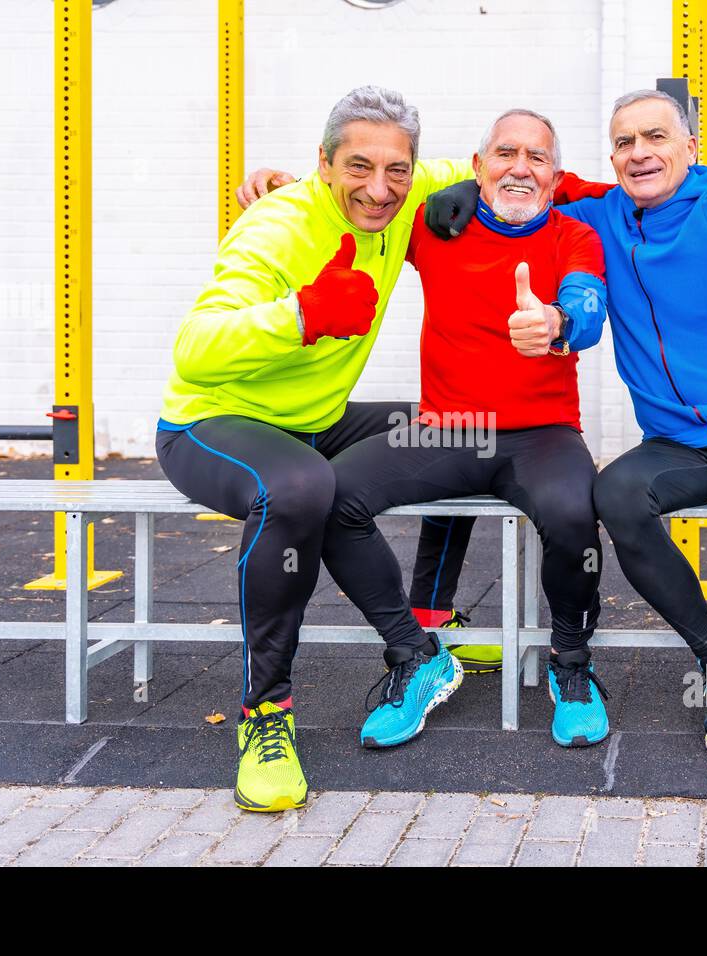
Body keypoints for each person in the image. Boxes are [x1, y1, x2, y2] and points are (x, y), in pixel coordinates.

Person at [425, 90, 707, 849]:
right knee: (616, 493)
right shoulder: (603, 212)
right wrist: (456, 184)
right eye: (623, 141)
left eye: (656, 137)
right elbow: (530, 171)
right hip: (678, 442)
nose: (638, 151)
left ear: (692, 147)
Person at [156, 85, 477, 813]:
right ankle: (266, 715)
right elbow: (194, 351)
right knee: (300, 487)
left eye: (398, 170)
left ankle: (428, 627)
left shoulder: (410, 189)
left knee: (468, 424)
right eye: (358, 167)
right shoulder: (275, 226)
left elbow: (511, 164)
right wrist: (299, 315)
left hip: (314, 415)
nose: (379, 188)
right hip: (213, 422)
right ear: (324, 165)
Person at [319, 109, 610, 749]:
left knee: (571, 515)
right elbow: (355, 197)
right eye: (506, 153)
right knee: (331, 497)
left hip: (543, 431)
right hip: (450, 428)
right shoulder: (433, 223)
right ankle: (417, 653)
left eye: (538, 158)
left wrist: (559, 322)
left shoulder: (573, 235)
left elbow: (589, 305)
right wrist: (273, 181)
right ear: (476, 167)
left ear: (556, 176)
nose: (521, 168)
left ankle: (570, 662)